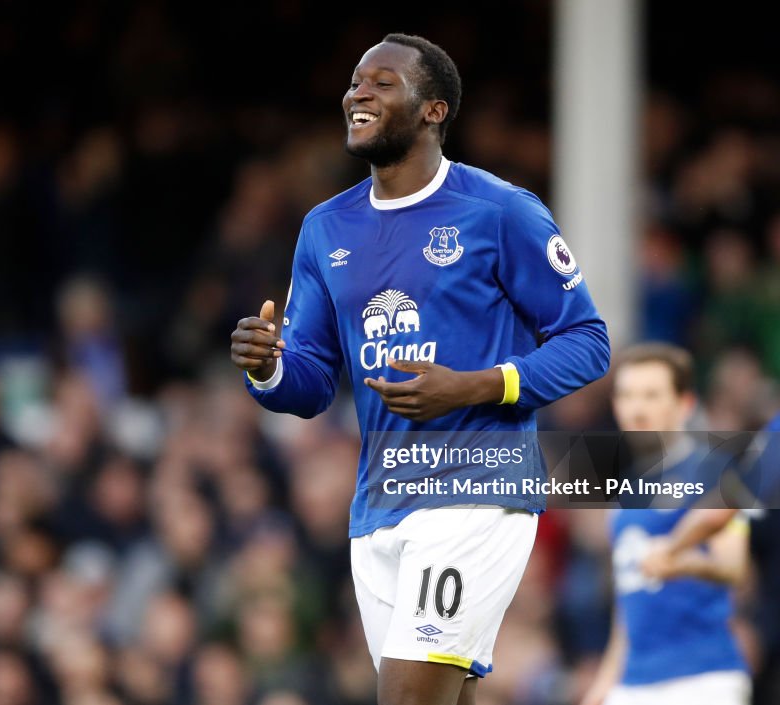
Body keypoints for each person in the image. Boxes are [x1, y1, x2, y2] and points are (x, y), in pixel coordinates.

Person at [229, 34, 610, 705]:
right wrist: (268, 368)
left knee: (405, 697)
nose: (358, 94)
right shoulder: (325, 228)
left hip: (477, 490)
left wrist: (479, 385)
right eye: (354, 82)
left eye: (381, 82)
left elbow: (588, 339)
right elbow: (312, 381)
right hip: (379, 505)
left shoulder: (499, 211)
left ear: (434, 110)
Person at [583, 343, 751, 705]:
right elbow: (627, 600)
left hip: (702, 676)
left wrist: (683, 562)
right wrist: (604, 684)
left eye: (651, 395)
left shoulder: (714, 471)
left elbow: (734, 568)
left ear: (685, 403)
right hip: (634, 681)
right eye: (626, 396)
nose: (637, 409)